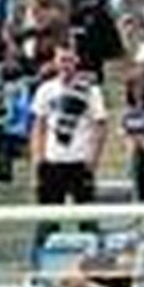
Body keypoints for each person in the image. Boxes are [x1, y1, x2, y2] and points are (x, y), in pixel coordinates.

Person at [30, 45, 107, 242]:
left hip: (79, 161)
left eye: (69, 60)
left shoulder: (91, 91)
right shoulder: (45, 90)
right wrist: (38, 158)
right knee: (47, 221)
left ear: (77, 62)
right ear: (55, 63)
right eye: (62, 60)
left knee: (88, 220)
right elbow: (39, 126)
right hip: (52, 162)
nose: (66, 65)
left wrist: (93, 159)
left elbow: (100, 126)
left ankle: (95, 265)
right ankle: (39, 267)